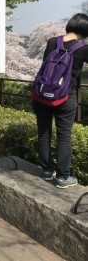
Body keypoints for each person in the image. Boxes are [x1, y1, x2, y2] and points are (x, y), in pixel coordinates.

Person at [33, 13, 88, 188]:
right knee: (64, 136)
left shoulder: (52, 42)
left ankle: (47, 170)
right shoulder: (83, 48)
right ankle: (63, 177)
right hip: (65, 97)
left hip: (42, 94)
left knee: (44, 132)